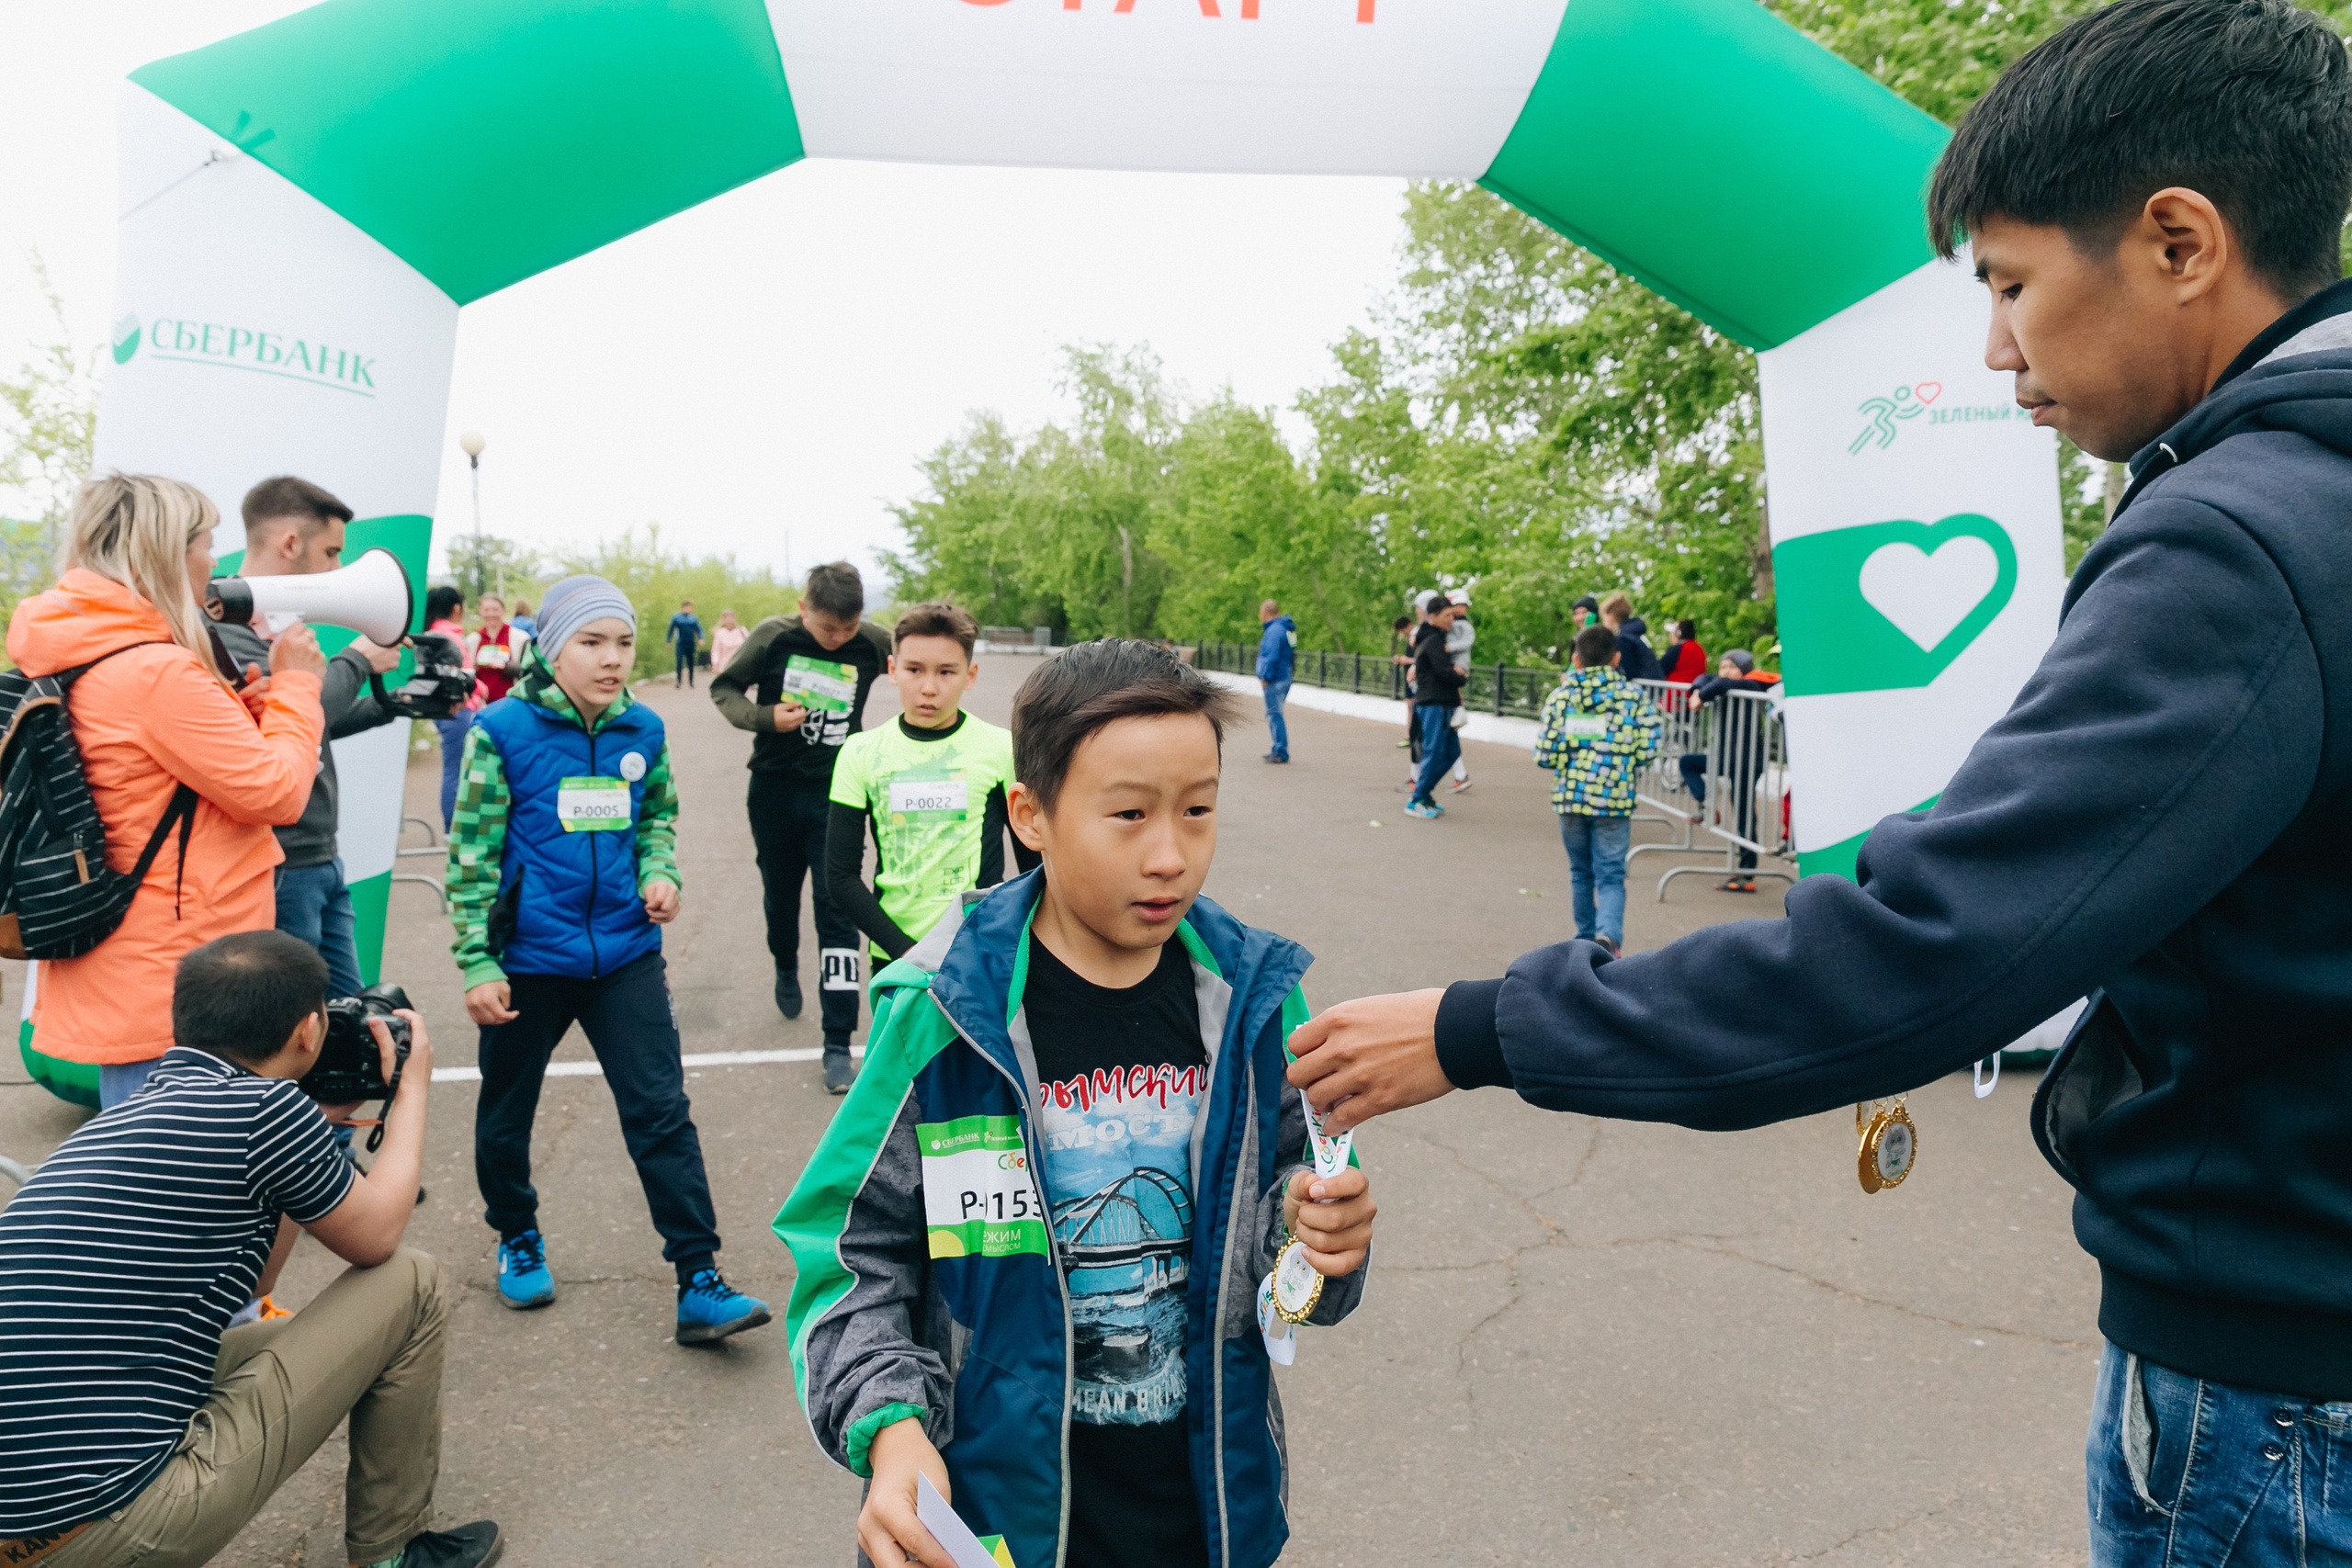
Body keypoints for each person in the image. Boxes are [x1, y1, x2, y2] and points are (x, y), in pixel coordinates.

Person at [1283, 5, 2352, 1558]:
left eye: (2011, 284)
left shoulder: (2238, 544)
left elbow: (1933, 951)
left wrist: (1485, 1024)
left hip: (2276, 1386)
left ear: (2179, 241)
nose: (1997, 348)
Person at [775, 638, 1375, 1568]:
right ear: (1031, 815)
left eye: (1199, 812)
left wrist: (1319, 1242)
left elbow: (1287, 1244)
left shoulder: (1257, 999)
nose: (1171, 855)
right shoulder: (942, 1011)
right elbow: (849, 1257)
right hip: (990, 1519)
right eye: (1129, 815)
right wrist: (891, 1429)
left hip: (1212, 1512)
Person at [0, 930, 502, 1568]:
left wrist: (317, 1126)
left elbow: (252, 1287)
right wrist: (412, 1090)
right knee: (414, 1281)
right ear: (306, 1031)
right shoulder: (264, 1109)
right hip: (107, 1527)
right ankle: (392, 1552)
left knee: (291, 1331)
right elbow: (378, 1238)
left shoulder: (129, 1116)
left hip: (20, 1525)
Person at [447, 574, 768, 1342]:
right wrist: (476, 960)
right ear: (552, 647)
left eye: (623, 642)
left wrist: (662, 872)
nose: (611, 659)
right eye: (591, 642)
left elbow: (656, 817)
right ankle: (517, 1234)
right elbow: (472, 856)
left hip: (624, 952)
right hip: (528, 958)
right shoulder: (503, 731)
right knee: (506, 1111)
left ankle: (700, 1279)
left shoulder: (643, 730)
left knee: (661, 1112)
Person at [5, 474, 325, 1110]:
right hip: (183, 972)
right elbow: (279, 793)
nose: (216, 561)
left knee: (153, 1171)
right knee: (184, 1191)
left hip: (133, 957)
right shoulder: (156, 671)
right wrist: (295, 688)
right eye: (207, 543)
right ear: (165, 552)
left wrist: (240, 716)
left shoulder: (86, 645)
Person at [822, 603, 1033, 1095]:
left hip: (980, 956)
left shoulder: (1000, 747)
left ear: (971, 675)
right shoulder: (860, 753)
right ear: (893, 670)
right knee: (901, 1103)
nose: (929, 687)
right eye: (914, 670)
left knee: (980, 1102)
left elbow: (1034, 864)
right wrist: (908, 954)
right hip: (896, 960)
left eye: (946, 671)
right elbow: (840, 877)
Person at [210, 476, 405, 999]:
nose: (338, 571)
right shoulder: (223, 633)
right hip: (280, 861)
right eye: (332, 552)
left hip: (319, 855)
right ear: (291, 544)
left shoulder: (273, 630)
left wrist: (389, 705)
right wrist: (358, 659)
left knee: (344, 1020)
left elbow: (306, 727)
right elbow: (297, 707)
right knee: (293, 1019)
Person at [709, 562, 895, 1060]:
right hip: (773, 790)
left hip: (840, 793)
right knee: (781, 896)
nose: (838, 639)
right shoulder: (774, 637)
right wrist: (765, 718)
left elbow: (916, 660)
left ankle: (838, 1039)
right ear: (802, 610)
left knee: (838, 907)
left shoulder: (873, 643)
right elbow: (724, 688)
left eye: (848, 629)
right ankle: (785, 962)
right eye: (826, 628)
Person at [1534, 624, 1663, 957]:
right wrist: (1620, 760)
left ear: (1576, 660)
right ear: (1616, 658)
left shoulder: (1561, 697)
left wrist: (1573, 757)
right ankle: (1608, 938)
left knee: (1580, 872)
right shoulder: (1632, 697)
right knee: (1611, 875)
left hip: (1571, 798)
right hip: (1614, 799)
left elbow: (1545, 754)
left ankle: (1583, 939)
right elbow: (1649, 748)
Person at [1674, 651, 1778, 893]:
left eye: (1731, 666)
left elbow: (1719, 683)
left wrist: (1702, 694)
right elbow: (1703, 678)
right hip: (1727, 758)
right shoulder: (1725, 685)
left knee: (1744, 815)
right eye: (1722, 666)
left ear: (1745, 669)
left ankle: (1747, 873)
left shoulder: (1751, 685)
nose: (1725, 671)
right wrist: (1698, 691)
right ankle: (1705, 804)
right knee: (1688, 762)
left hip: (1747, 761)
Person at [1403, 600, 1466, 819]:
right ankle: (1415, 800)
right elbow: (1444, 673)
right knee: (1434, 751)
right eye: (1447, 615)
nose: (1452, 619)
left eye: (1452, 615)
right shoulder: (1432, 641)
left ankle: (1425, 794)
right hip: (1433, 704)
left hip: (1443, 703)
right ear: (1433, 617)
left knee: (1451, 753)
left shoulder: (1435, 639)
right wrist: (1461, 676)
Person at [424, 585, 474, 830]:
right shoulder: (450, 637)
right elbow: (463, 677)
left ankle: (449, 826)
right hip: (459, 709)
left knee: (453, 768)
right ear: (456, 608)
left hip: (442, 710)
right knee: (457, 769)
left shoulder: (431, 633)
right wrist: (480, 688)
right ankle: (452, 827)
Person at [1256, 597, 1296, 763]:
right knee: (1275, 714)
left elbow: (1270, 656)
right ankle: (1277, 748)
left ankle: (1280, 751)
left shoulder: (1274, 631)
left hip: (1275, 679)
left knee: (1274, 714)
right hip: (1284, 675)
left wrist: (1265, 676)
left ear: (1264, 613)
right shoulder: (1285, 628)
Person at [1443, 588, 1476, 793]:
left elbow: (1466, 643)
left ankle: (1459, 775)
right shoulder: (1451, 625)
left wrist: (1448, 649)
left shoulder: (1464, 626)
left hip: (1457, 666)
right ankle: (1459, 774)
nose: (1459, 609)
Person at [468, 592, 524, 707]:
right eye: (486, 610)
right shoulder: (472, 640)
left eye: (495, 609)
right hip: (481, 705)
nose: (491, 614)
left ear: (503, 610)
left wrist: (506, 666)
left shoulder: (520, 638)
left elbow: (527, 670)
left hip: (511, 702)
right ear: (480, 611)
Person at [1600, 593, 1665, 682]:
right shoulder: (1634, 634)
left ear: (1610, 617)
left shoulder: (1623, 639)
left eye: (1603, 619)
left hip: (1643, 690)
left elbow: (1626, 671)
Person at [667, 598, 703, 689]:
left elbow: (699, 629)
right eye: (688, 607)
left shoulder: (693, 619)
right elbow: (670, 629)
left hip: (691, 643)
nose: (689, 609)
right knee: (679, 661)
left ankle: (691, 681)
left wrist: (701, 638)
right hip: (680, 643)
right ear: (683, 607)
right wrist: (668, 640)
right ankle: (679, 681)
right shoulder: (677, 618)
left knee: (691, 662)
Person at [1660, 619, 1708, 687]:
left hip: (1673, 693)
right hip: (1694, 694)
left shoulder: (1678, 649)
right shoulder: (1700, 649)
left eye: (1672, 633)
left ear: (1678, 634)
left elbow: (1661, 669)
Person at [709, 607, 747, 674]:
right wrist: (715, 664)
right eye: (727, 618)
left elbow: (748, 646)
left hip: (740, 665)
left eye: (731, 618)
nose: (729, 620)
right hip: (725, 666)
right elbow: (715, 650)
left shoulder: (742, 631)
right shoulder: (720, 633)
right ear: (723, 620)